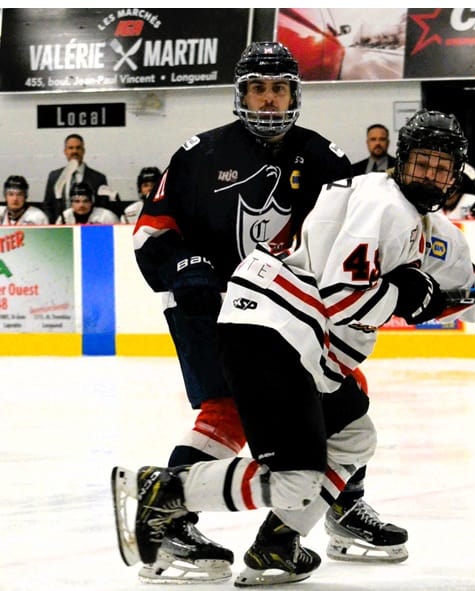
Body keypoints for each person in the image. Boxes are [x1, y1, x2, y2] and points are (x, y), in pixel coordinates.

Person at [113, 109, 475, 586]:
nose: (429, 175)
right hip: (271, 334)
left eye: (441, 167)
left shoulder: (433, 229)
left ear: (455, 176)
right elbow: (344, 299)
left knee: (354, 437)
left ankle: (278, 543)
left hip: (303, 344)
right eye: (421, 162)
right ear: (400, 160)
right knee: (294, 479)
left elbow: (466, 289)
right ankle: (167, 491)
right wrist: (407, 296)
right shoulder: (382, 204)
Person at [126, 41, 406, 584]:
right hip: (208, 308)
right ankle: (171, 521)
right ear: (241, 93)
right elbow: (150, 234)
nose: (270, 99)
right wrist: (186, 267)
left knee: (345, 392)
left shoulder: (323, 157)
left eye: (279, 88)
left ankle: (342, 507)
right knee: (226, 409)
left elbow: (356, 231)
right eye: (259, 87)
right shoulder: (197, 155)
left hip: (291, 313)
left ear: (294, 94)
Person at [43, 133, 111, 223]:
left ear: (83, 151)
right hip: (61, 228)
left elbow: (103, 207)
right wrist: (55, 224)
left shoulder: (98, 178)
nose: (74, 151)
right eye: (71, 148)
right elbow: (48, 205)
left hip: (89, 228)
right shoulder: (54, 176)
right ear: (65, 151)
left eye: (78, 148)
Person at [55, 181, 119, 225]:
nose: (81, 205)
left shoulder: (106, 216)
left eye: (86, 201)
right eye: (77, 201)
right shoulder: (65, 217)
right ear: (71, 203)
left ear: (92, 202)